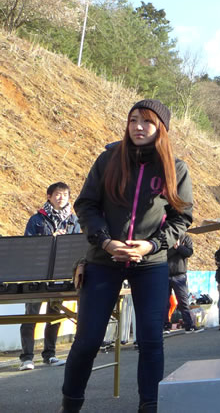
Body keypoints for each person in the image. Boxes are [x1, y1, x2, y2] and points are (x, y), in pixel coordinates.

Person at [62, 99, 192, 413]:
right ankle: (70, 404)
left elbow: (181, 218)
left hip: (150, 264)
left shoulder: (175, 168)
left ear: (161, 128)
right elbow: (86, 205)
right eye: (133, 120)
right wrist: (105, 241)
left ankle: (150, 405)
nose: (138, 127)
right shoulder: (108, 159)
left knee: (151, 340)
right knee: (88, 340)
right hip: (103, 260)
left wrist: (152, 245)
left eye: (146, 121)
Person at [20, 182, 80, 371]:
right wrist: (51, 239)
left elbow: (76, 246)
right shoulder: (37, 219)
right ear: (49, 196)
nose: (61, 198)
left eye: (65, 194)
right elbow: (28, 246)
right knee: (30, 316)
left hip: (60, 274)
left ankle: (50, 354)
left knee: (54, 315)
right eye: (57, 194)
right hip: (36, 275)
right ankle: (26, 358)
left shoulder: (73, 220)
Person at [165, 232, 200, 332]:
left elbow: (189, 252)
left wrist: (179, 247)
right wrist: (175, 248)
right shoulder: (166, 236)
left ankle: (188, 324)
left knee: (183, 301)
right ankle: (165, 325)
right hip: (165, 274)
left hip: (180, 274)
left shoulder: (186, 237)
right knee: (164, 302)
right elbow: (163, 254)